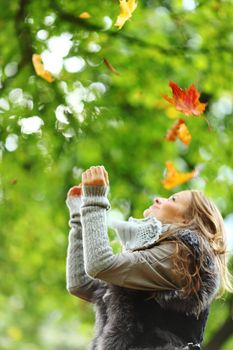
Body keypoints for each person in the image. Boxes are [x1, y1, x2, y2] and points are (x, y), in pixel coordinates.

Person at [66, 165, 233, 350]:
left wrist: (95, 200)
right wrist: (78, 217)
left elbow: (100, 265)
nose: (157, 198)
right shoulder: (152, 256)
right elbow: (81, 283)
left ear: (187, 221)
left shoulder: (182, 255)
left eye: (173, 199)